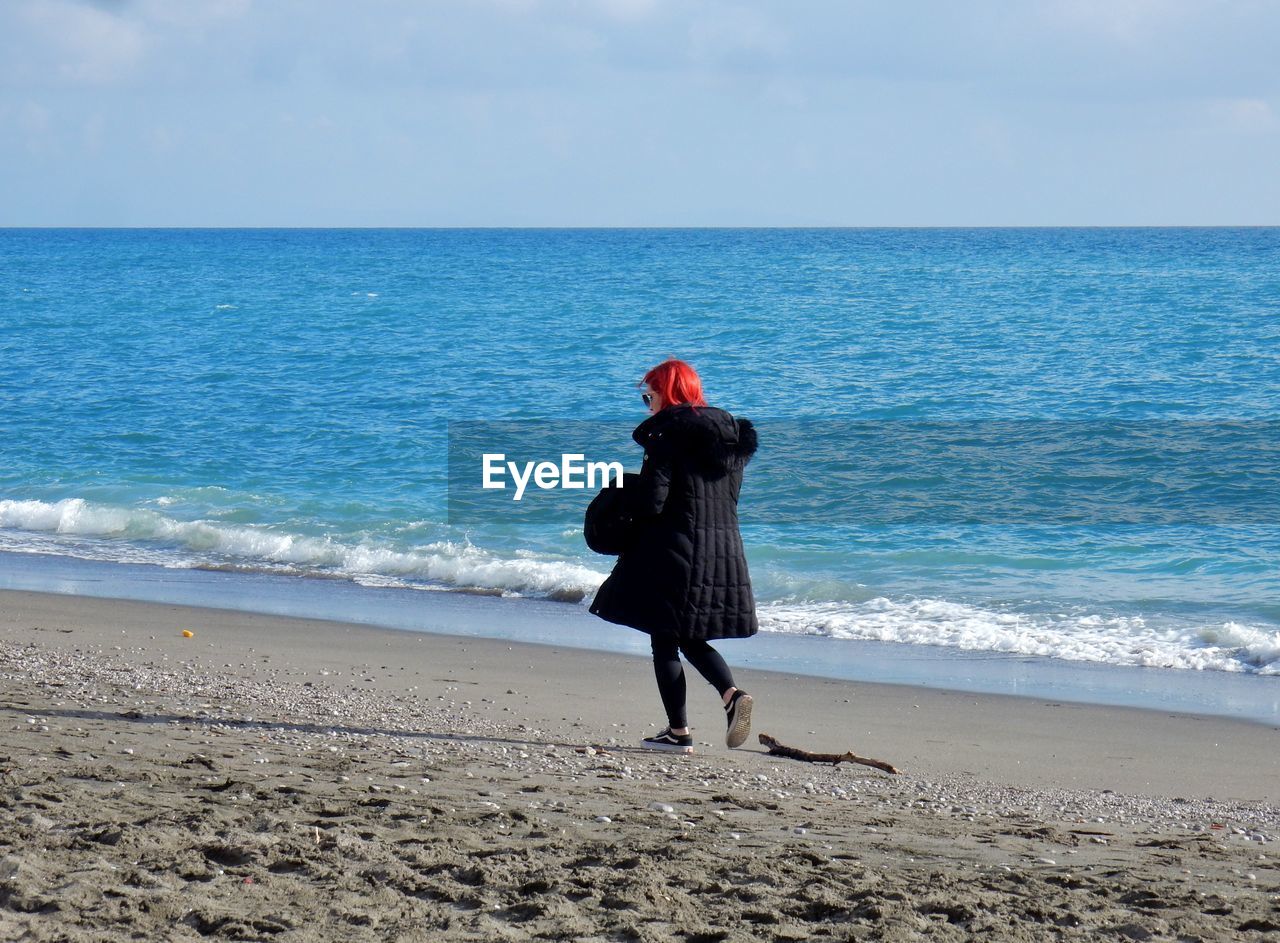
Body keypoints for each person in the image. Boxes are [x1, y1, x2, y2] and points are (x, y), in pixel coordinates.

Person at [589, 358, 759, 753]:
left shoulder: (667, 436)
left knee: (664, 638)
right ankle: (731, 695)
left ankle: (679, 732)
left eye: (649, 395)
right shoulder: (729, 438)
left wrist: (617, 495)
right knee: (689, 634)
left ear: (668, 392)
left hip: (672, 547)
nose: (647, 404)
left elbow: (653, 501)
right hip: (722, 548)